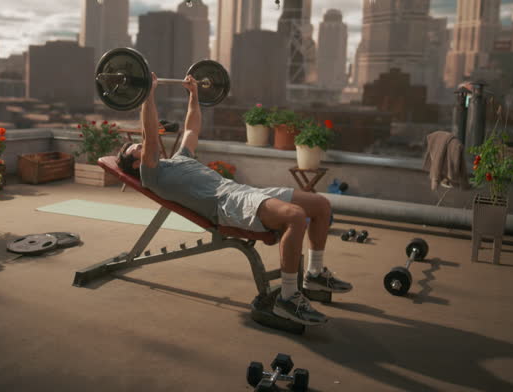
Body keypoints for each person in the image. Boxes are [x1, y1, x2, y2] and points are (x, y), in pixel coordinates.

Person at [116, 70, 352, 326]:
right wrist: (147, 95)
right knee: (295, 217)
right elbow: (150, 136)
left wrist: (193, 95)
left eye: (138, 146)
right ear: (136, 165)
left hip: (243, 191)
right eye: (136, 149)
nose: (142, 147)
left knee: (320, 205)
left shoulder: (180, 158)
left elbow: (191, 128)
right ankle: (287, 297)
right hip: (227, 205)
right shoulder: (152, 175)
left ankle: (314, 273)